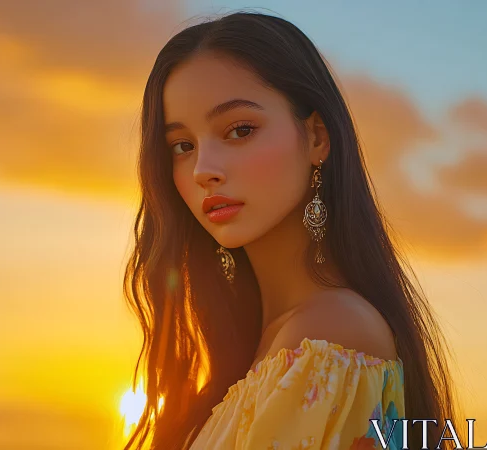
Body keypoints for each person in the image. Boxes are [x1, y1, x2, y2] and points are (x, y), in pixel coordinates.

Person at [122, 10, 460, 450]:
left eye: (240, 130)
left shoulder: (332, 338)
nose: (204, 169)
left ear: (317, 136)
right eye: (183, 146)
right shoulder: (267, 344)